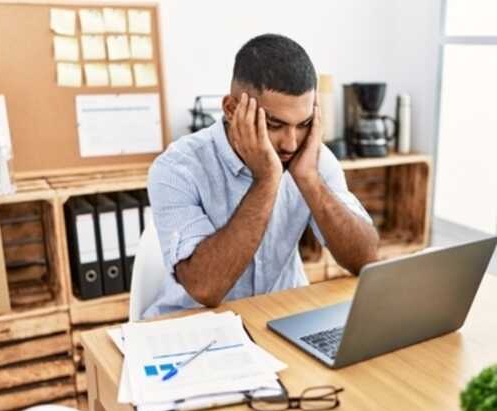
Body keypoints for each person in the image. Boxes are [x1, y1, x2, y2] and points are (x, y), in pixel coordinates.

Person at [143, 33, 379, 317]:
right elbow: (205, 289)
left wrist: (309, 179)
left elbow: (365, 259)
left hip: (282, 315)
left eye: (303, 124)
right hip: (193, 324)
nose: (291, 143)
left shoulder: (310, 158)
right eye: (274, 124)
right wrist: (267, 179)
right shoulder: (176, 168)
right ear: (231, 109)